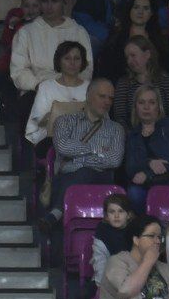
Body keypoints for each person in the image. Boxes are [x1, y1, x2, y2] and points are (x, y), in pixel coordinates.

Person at [10, 0, 94, 129]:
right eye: (44, 1)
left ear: (64, 1)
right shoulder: (26, 32)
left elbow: (87, 67)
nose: (49, 7)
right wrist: (39, 86)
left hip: (72, 90)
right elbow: (19, 70)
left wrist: (70, 86)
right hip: (37, 90)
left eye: (54, 1)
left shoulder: (78, 31)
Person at [50, 79, 126, 212]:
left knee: (85, 172)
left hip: (101, 179)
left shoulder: (116, 129)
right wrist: (95, 150)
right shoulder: (65, 121)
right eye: (102, 96)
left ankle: (56, 214)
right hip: (66, 177)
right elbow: (62, 146)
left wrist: (79, 158)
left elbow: (114, 160)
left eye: (110, 98)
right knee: (77, 175)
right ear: (88, 95)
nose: (107, 102)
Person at [121, 86, 169, 211]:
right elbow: (131, 167)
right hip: (146, 187)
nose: (146, 107)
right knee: (133, 192)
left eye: (151, 102)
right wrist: (150, 162)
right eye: (141, 102)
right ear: (135, 107)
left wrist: (148, 173)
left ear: (159, 106)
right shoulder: (132, 135)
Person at [25, 41, 92, 146]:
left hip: (86, 142)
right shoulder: (46, 87)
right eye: (67, 58)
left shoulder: (91, 88)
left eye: (77, 58)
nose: (72, 62)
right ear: (59, 61)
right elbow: (37, 122)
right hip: (52, 142)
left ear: (82, 62)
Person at [100, 0, 169, 84]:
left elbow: (166, 67)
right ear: (129, 10)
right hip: (122, 84)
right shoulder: (117, 36)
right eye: (136, 7)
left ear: (151, 13)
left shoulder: (160, 38)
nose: (140, 12)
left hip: (154, 85)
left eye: (146, 8)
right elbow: (107, 66)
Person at [111, 37, 169, 122]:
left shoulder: (168, 80)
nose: (129, 61)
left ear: (147, 55)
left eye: (133, 55)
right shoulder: (123, 83)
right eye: (127, 57)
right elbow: (120, 117)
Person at [91, 193, 138, 283]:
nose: (116, 216)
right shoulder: (102, 232)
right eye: (112, 212)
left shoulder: (135, 230)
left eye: (121, 211)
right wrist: (102, 285)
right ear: (107, 216)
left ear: (128, 215)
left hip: (132, 278)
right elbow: (100, 261)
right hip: (107, 278)